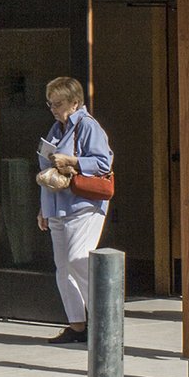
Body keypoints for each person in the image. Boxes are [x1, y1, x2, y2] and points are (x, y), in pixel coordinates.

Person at [33, 74, 113, 345]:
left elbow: (103, 162)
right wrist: (44, 209)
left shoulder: (88, 127)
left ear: (75, 103)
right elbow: (46, 169)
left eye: (58, 103)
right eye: (50, 104)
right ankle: (77, 325)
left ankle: (105, 320)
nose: (53, 109)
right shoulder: (57, 128)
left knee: (79, 259)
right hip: (57, 207)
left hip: (83, 205)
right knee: (64, 267)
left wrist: (74, 161)